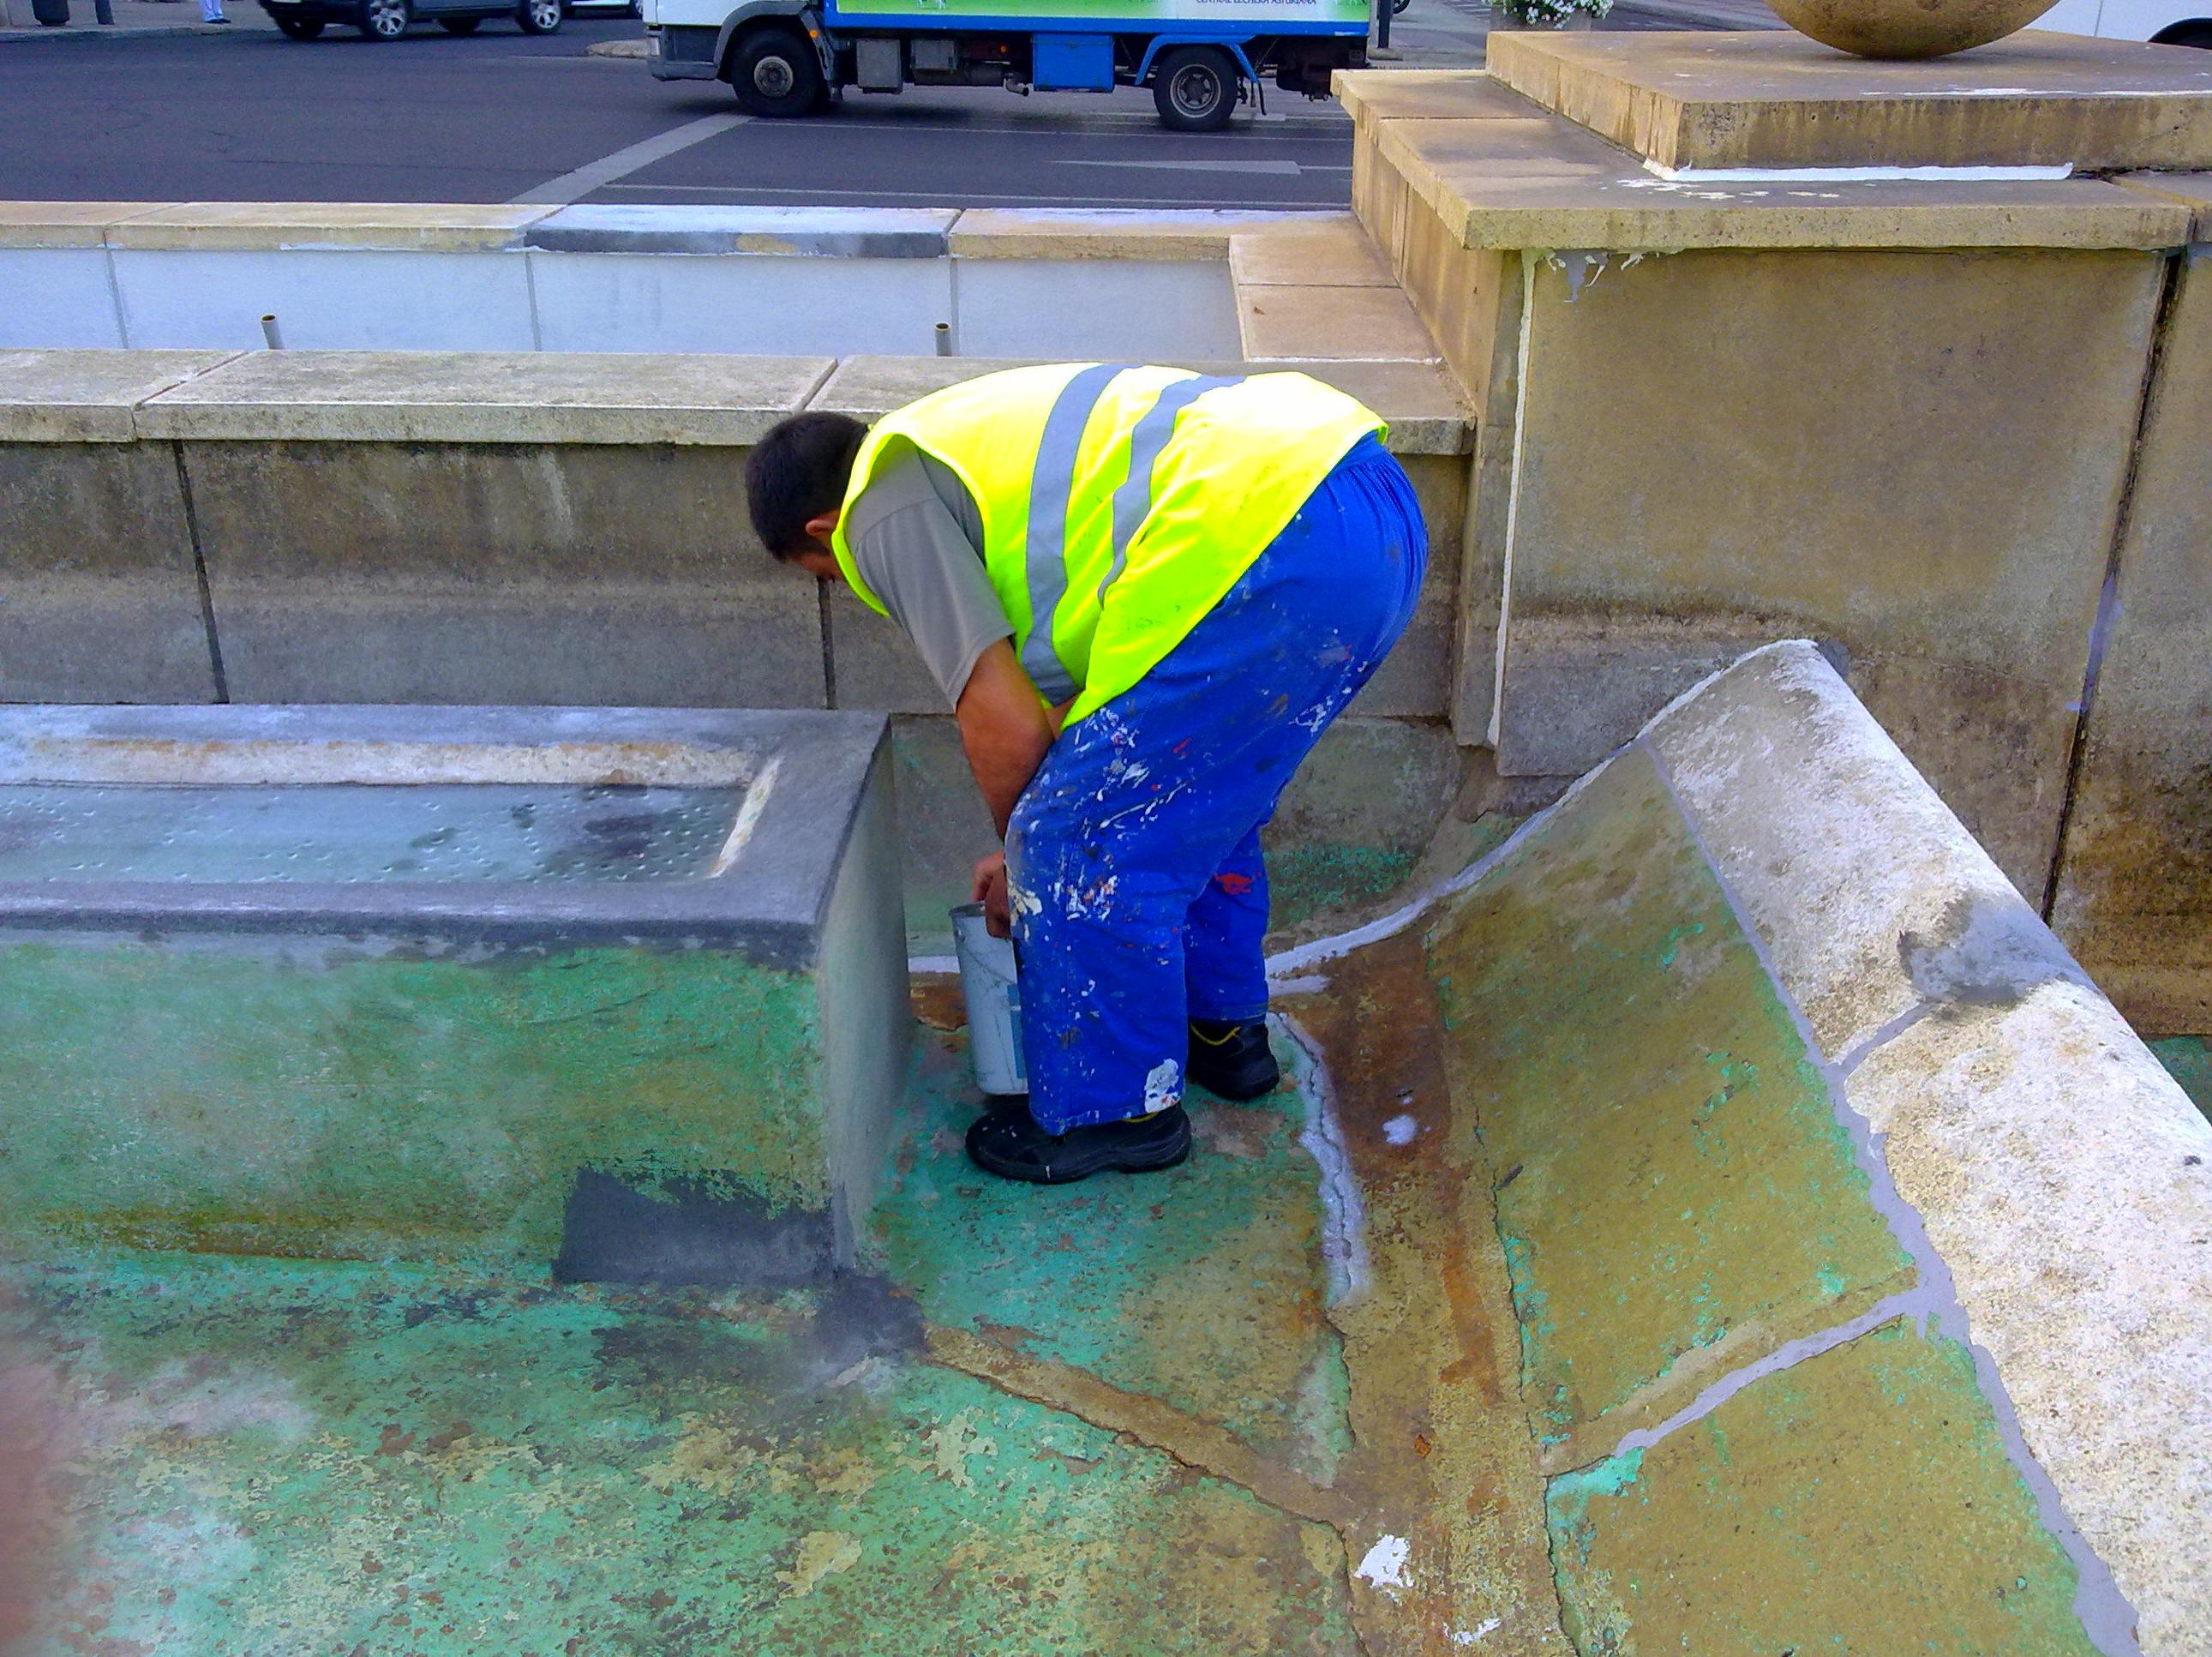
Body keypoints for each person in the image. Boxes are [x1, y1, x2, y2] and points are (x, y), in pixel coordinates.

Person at [746, 363, 1426, 1185]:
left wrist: (1024, 859)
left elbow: (996, 716)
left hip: (1263, 535)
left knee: (1073, 835)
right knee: (1183, 796)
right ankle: (1222, 1034)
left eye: (828, 579)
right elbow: (1080, 723)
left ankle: (1118, 1114)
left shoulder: (879, 504)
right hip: (1364, 509)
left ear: (823, 531)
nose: (853, 588)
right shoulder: (962, 450)